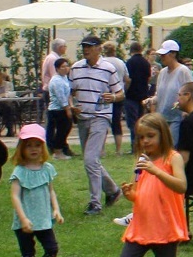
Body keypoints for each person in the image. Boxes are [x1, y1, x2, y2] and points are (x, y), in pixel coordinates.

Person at [118, 113, 190, 257]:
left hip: (165, 227)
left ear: (163, 135)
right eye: (141, 137)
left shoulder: (172, 158)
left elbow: (181, 186)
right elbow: (142, 193)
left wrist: (156, 170)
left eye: (150, 136)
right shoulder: (142, 161)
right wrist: (131, 195)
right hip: (142, 226)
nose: (145, 141)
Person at [68, 36, 125, 215]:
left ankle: (95, 204)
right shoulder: (76, 68)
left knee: (90, 160)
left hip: (101, 116)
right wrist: (71, 105)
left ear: (99, 49)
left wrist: (113, 97)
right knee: (92, 160)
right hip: (83, 117)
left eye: (89, 46)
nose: (86, 49)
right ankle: (113, 191)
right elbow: (70, 92)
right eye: (84, 46)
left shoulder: (108, 68)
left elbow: (120, 93)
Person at [9, 124, 63, 257]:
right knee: (28, 256)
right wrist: (23, 218)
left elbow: (51, 191)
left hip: (43, 220)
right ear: (21, 148)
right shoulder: (20, 171)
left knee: (52, 249)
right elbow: (15, 196)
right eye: (29, 145)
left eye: (37, 145)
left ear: (43, 147)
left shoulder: (47, 169)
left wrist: (56, 209)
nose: (34, 149)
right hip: (25, 223)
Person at [146, 40, 193, 133]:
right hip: (162, 118)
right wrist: (150, 100)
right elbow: (159, 95)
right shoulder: (162, 72)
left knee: (173, 141)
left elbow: (192, 92)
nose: (161, 58)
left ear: (173, 54)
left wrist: (186, 110)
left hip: (177, 118)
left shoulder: (183, 71)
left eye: (164, 55)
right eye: (160, 55)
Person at [101, 41, 131, 152]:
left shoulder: (102, 62)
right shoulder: (120, 62)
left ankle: (102, 149)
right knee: (116, 122)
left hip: (105, 95)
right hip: (118, 95)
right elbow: (127, 79)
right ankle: (118, 149)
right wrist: (124, 90)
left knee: (103, 121)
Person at [44, 57, 75, 158]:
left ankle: (63, 148)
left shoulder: (64, 78)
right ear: (57, 69)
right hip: (57, 110)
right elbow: (61, 97)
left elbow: (68, 93)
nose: (66, 68)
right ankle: (57, 152)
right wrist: (67, 109)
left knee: (66, 128)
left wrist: (71, 105)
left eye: (67, 66)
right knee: (61, 131)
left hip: (64, 108)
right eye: (63, 67)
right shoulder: (56, 80)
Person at [123, 43, 152, 147]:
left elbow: (128, 79)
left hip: (131, 95)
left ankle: (135, 145)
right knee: (141, 122)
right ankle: (142, 144)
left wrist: (125, 90)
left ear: (131, 51)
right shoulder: (146, 63)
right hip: (143, 95)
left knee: (132, 123)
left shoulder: (129, 62)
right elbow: (149, 78)